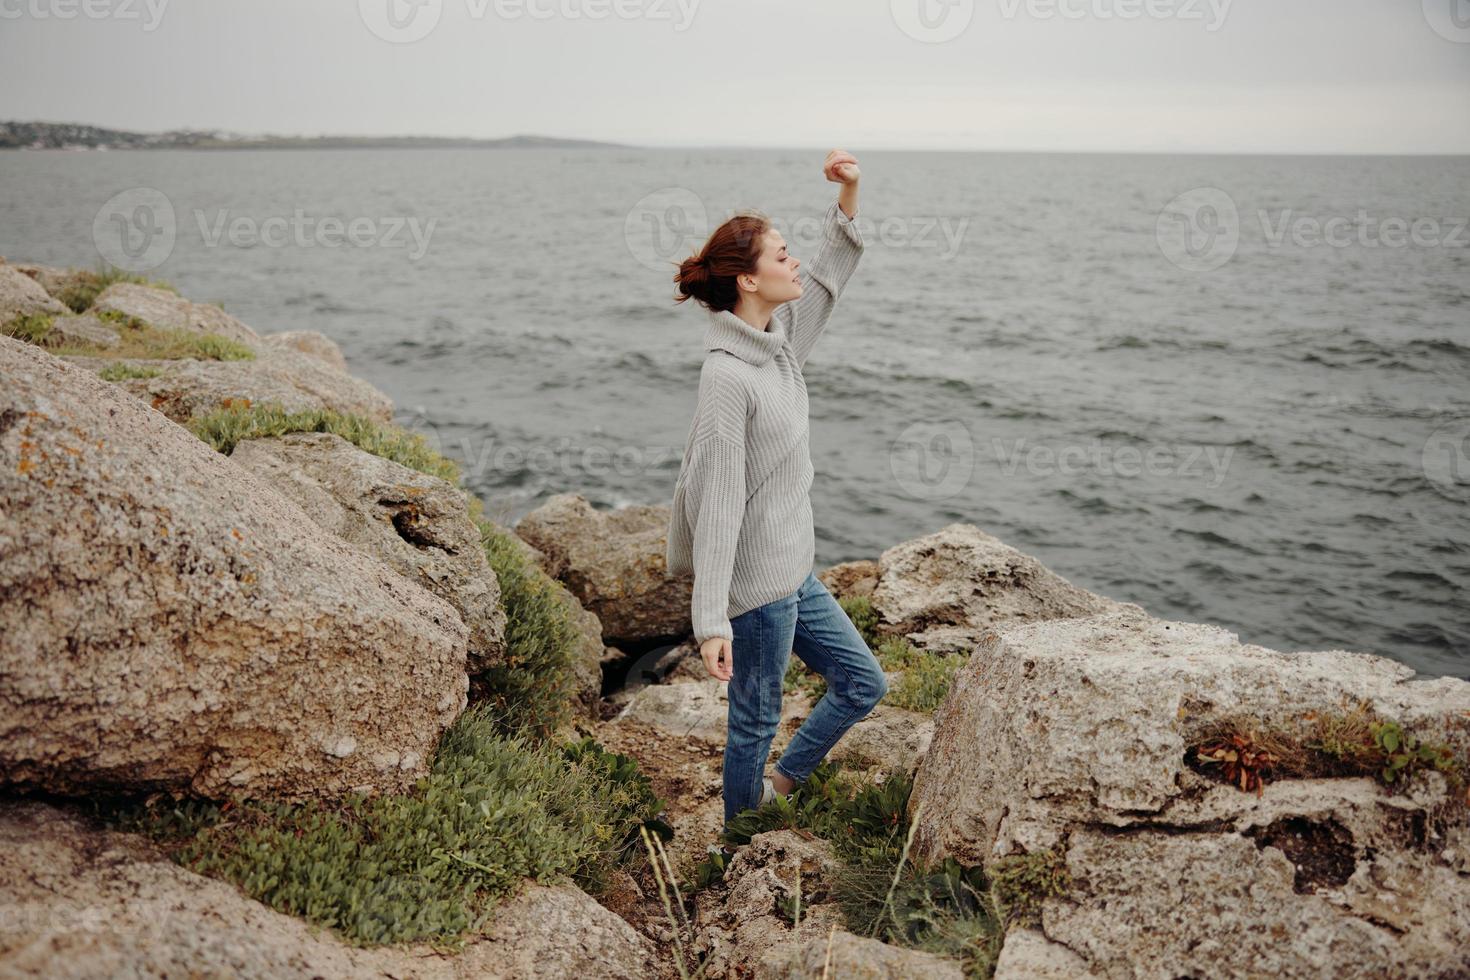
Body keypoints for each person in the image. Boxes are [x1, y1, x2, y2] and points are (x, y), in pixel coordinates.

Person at [664, 149, 888, 840]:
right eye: (781, 255)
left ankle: (782, 786)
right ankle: (740, 841)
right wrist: (711, 623)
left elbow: (831, 276)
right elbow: (719, 500)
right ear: (748, 279)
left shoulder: (779, 342)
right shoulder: (728, 377)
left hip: (796, 570)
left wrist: (850, 189)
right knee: (753, 721)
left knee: (863, 683)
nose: (794, 265)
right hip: (757, 592)